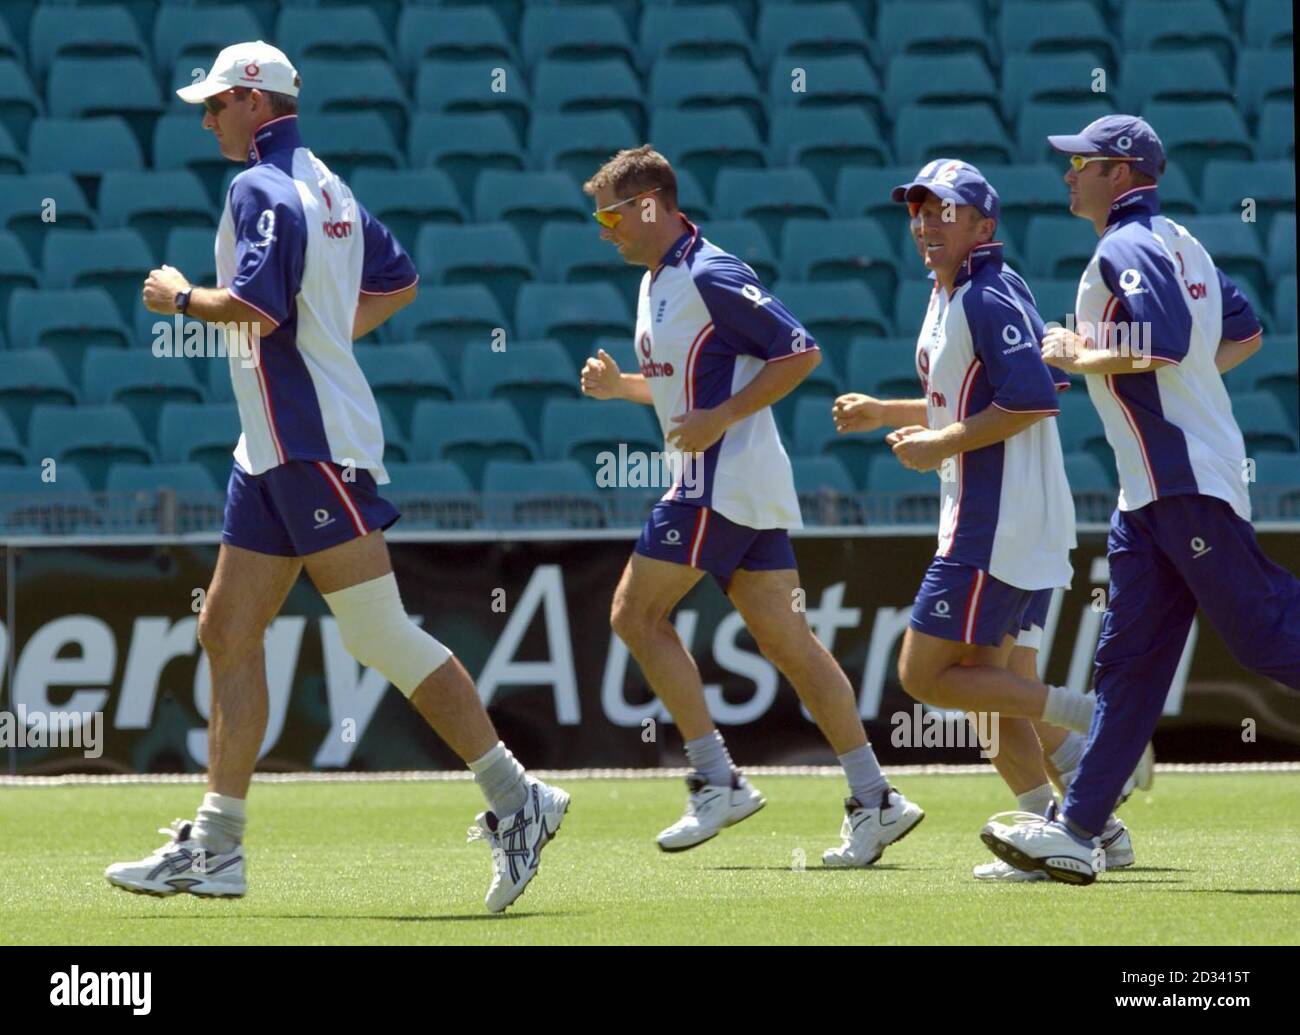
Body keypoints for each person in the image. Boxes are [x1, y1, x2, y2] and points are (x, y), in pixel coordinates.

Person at [105, 42, 568, 913]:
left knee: (378, 633)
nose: (207, 119)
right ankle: (217, 846)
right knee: (227, 629)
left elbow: (254, 307)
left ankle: (518, 797)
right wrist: (325, 332)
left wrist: (178, 296)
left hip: (309, 440)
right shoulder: (329, 186)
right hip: (271, 446)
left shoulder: (259, 186)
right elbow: (398, 281)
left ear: (253, 101)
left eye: (215, 103)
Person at [579, 145, 923, 866]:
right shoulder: (657, 278)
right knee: (790, 645)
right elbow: (684, 385)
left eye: (612, 216)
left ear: (651, 206)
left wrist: (720, 418)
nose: (604, 230)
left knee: (634, 616)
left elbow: (799, 352)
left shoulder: (712, 273)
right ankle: (876, 797)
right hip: (741, 486)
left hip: (716, 483)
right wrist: (622, 388)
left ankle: (716, 778)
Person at [982, 115, 1300, 884]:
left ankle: (1078, 826)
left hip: (1184, 480)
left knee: (1263, 634)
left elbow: (1161, 341)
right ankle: (1077, 831)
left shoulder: (1125, 245)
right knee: (1127, 667)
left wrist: (1077, 352)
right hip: (1154, 491)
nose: (1069, 174)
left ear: (1120, 172)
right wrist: (1186, 386)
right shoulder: (1181, 242)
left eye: (1082, 163)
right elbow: (1244, 332)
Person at [833, 176, 1144, 882]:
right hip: (1003, 517)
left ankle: (1095, 719)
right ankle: (1078, 828)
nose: (926, 223)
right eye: (919, 211)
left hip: (996, 521)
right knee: (993, 692)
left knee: (927, 674)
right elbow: (964, 397)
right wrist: (887, 412)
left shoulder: (985, 293)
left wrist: (939, 446)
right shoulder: (951, 293)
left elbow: (1034, 398)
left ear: (983, 226)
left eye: (946, 212)